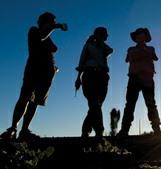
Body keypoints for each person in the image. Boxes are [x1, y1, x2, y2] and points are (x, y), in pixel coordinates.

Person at [0, 12, 67, 140]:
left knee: (35, 101)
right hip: (33, 69)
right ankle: (13, 128)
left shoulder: (46, 35)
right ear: (44, 22)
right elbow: (42, 37)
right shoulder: (34, 31)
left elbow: (54, 48)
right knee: (24, 98)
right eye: (51, 21)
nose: (53, 23)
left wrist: (53, 68)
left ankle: (24, 131)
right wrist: (56, 27)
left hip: (47, 72)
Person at [117, 28, 161, 137]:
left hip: (147, 78)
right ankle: (124, 130)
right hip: (134, 78)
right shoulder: (131, 49)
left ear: (145, 38)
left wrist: (143, 52)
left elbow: (155, 58)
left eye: (142, 36)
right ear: (136, 38)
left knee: (151, 103)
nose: (140, 38)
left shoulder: (151, 48)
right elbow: (127, 59)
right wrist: (141, 53)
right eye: (138, 36)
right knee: (130, 105)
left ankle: (157, 129)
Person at [75, 27, 113, 137]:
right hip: (89, 75)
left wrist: (100, 42)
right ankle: (97, 130)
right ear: (100, 34)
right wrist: (78, 78)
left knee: (97, 104)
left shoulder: (104, 48)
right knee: (94, 103)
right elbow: (81, 62)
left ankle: (89, 129)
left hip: (102, 76)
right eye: (105, 34)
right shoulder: (88, 46)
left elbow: (110, 51)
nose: (108, 36)